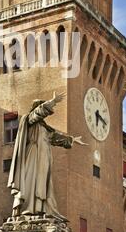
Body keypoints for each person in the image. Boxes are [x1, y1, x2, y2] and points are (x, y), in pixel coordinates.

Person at [8, 92, 87, 220]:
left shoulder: (44, 128)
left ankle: (40, 209)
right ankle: (28, 209)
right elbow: (39, 113)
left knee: (42, 184)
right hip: (33, 155)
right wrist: (53, 101)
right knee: (30, 181)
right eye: (42, 107)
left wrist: (72, 139)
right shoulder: (29, 120)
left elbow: (56, 138)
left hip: (44, 159)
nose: (45, 114)